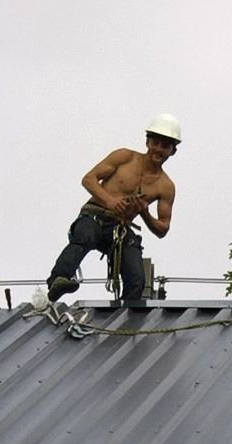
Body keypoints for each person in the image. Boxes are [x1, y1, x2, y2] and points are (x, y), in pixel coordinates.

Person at [45, 114, 181, 310]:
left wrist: (144, 213)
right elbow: (89, 179)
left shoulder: (165, 186)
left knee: (136, 276)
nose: (158, 149)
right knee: (85, 236)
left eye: (165, 146)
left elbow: (162, 228)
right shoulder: (124, 157)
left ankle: (126, 314)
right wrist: (110, 201)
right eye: (156, 143)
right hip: (95, 215)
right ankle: (59, 279)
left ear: (172, 151)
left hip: (120, 228)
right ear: (147, 142)